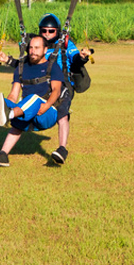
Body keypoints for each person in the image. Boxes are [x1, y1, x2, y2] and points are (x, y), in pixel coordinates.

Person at [0, 33, 66, 168]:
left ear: (45, 50)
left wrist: (47, 105)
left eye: (37, 48)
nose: (33, 51)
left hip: (47, 113)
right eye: (31, 48)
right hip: (26, 112)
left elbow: (56, 91)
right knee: (6, 101)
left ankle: (9, 114)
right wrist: (7, 104)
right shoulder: (21, 68)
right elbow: (14, 94)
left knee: (33, 98)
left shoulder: (52, 66)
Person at [36, 13, 85, 166]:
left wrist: (82, 58)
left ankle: (62, 149)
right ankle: (1, 112)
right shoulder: (38, 46)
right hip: (42, 85)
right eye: (44, 31)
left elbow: (75, 59)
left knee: (62, 114)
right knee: (27, 108)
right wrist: (8, 60)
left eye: (51, 31)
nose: (47, 34)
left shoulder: (66, 45)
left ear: (57, 31)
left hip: (63, 85)